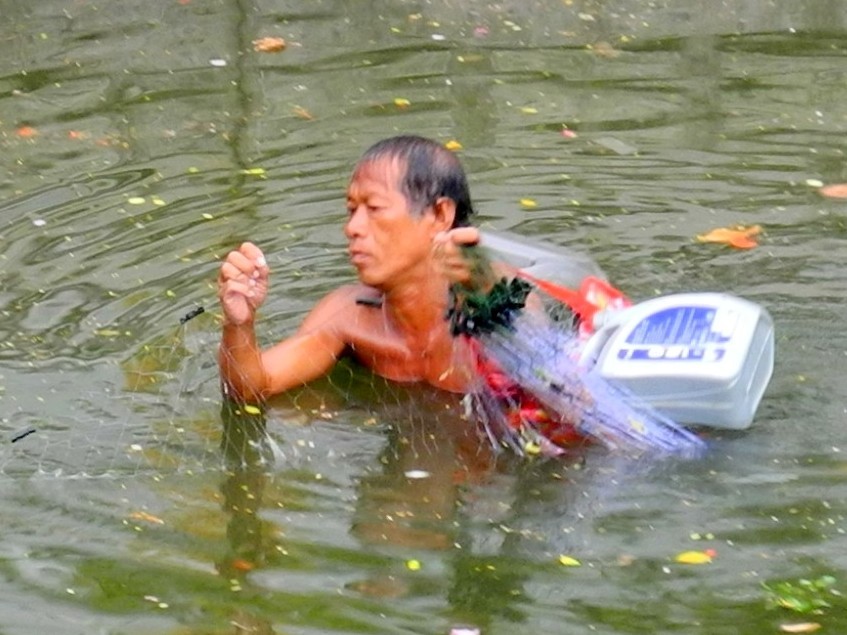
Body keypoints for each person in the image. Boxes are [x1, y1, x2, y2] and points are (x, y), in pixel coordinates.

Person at [217, 135, 484, 403]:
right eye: (351, 210)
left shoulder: (501, 297)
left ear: (439, 215)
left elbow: (527, 365)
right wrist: (239, 324)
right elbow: (251, 388)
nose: (352, 228)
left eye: (375, 208)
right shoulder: (350, 317)